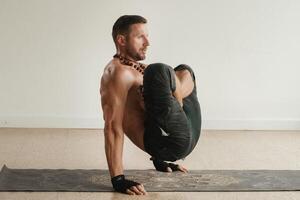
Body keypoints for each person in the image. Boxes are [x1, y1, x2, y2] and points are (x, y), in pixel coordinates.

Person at [99, 15, 201, 195]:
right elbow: (112, 127)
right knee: (160, 71)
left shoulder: (139, 68)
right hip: (166, 141)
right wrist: (118, 179)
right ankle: (174, 108)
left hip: (187, 131)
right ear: (121, 40)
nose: (148, 42)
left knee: (184, 70)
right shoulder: (116, 74)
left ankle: (175, 110)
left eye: (147, 36)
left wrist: (159, 160)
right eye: (140, 37)